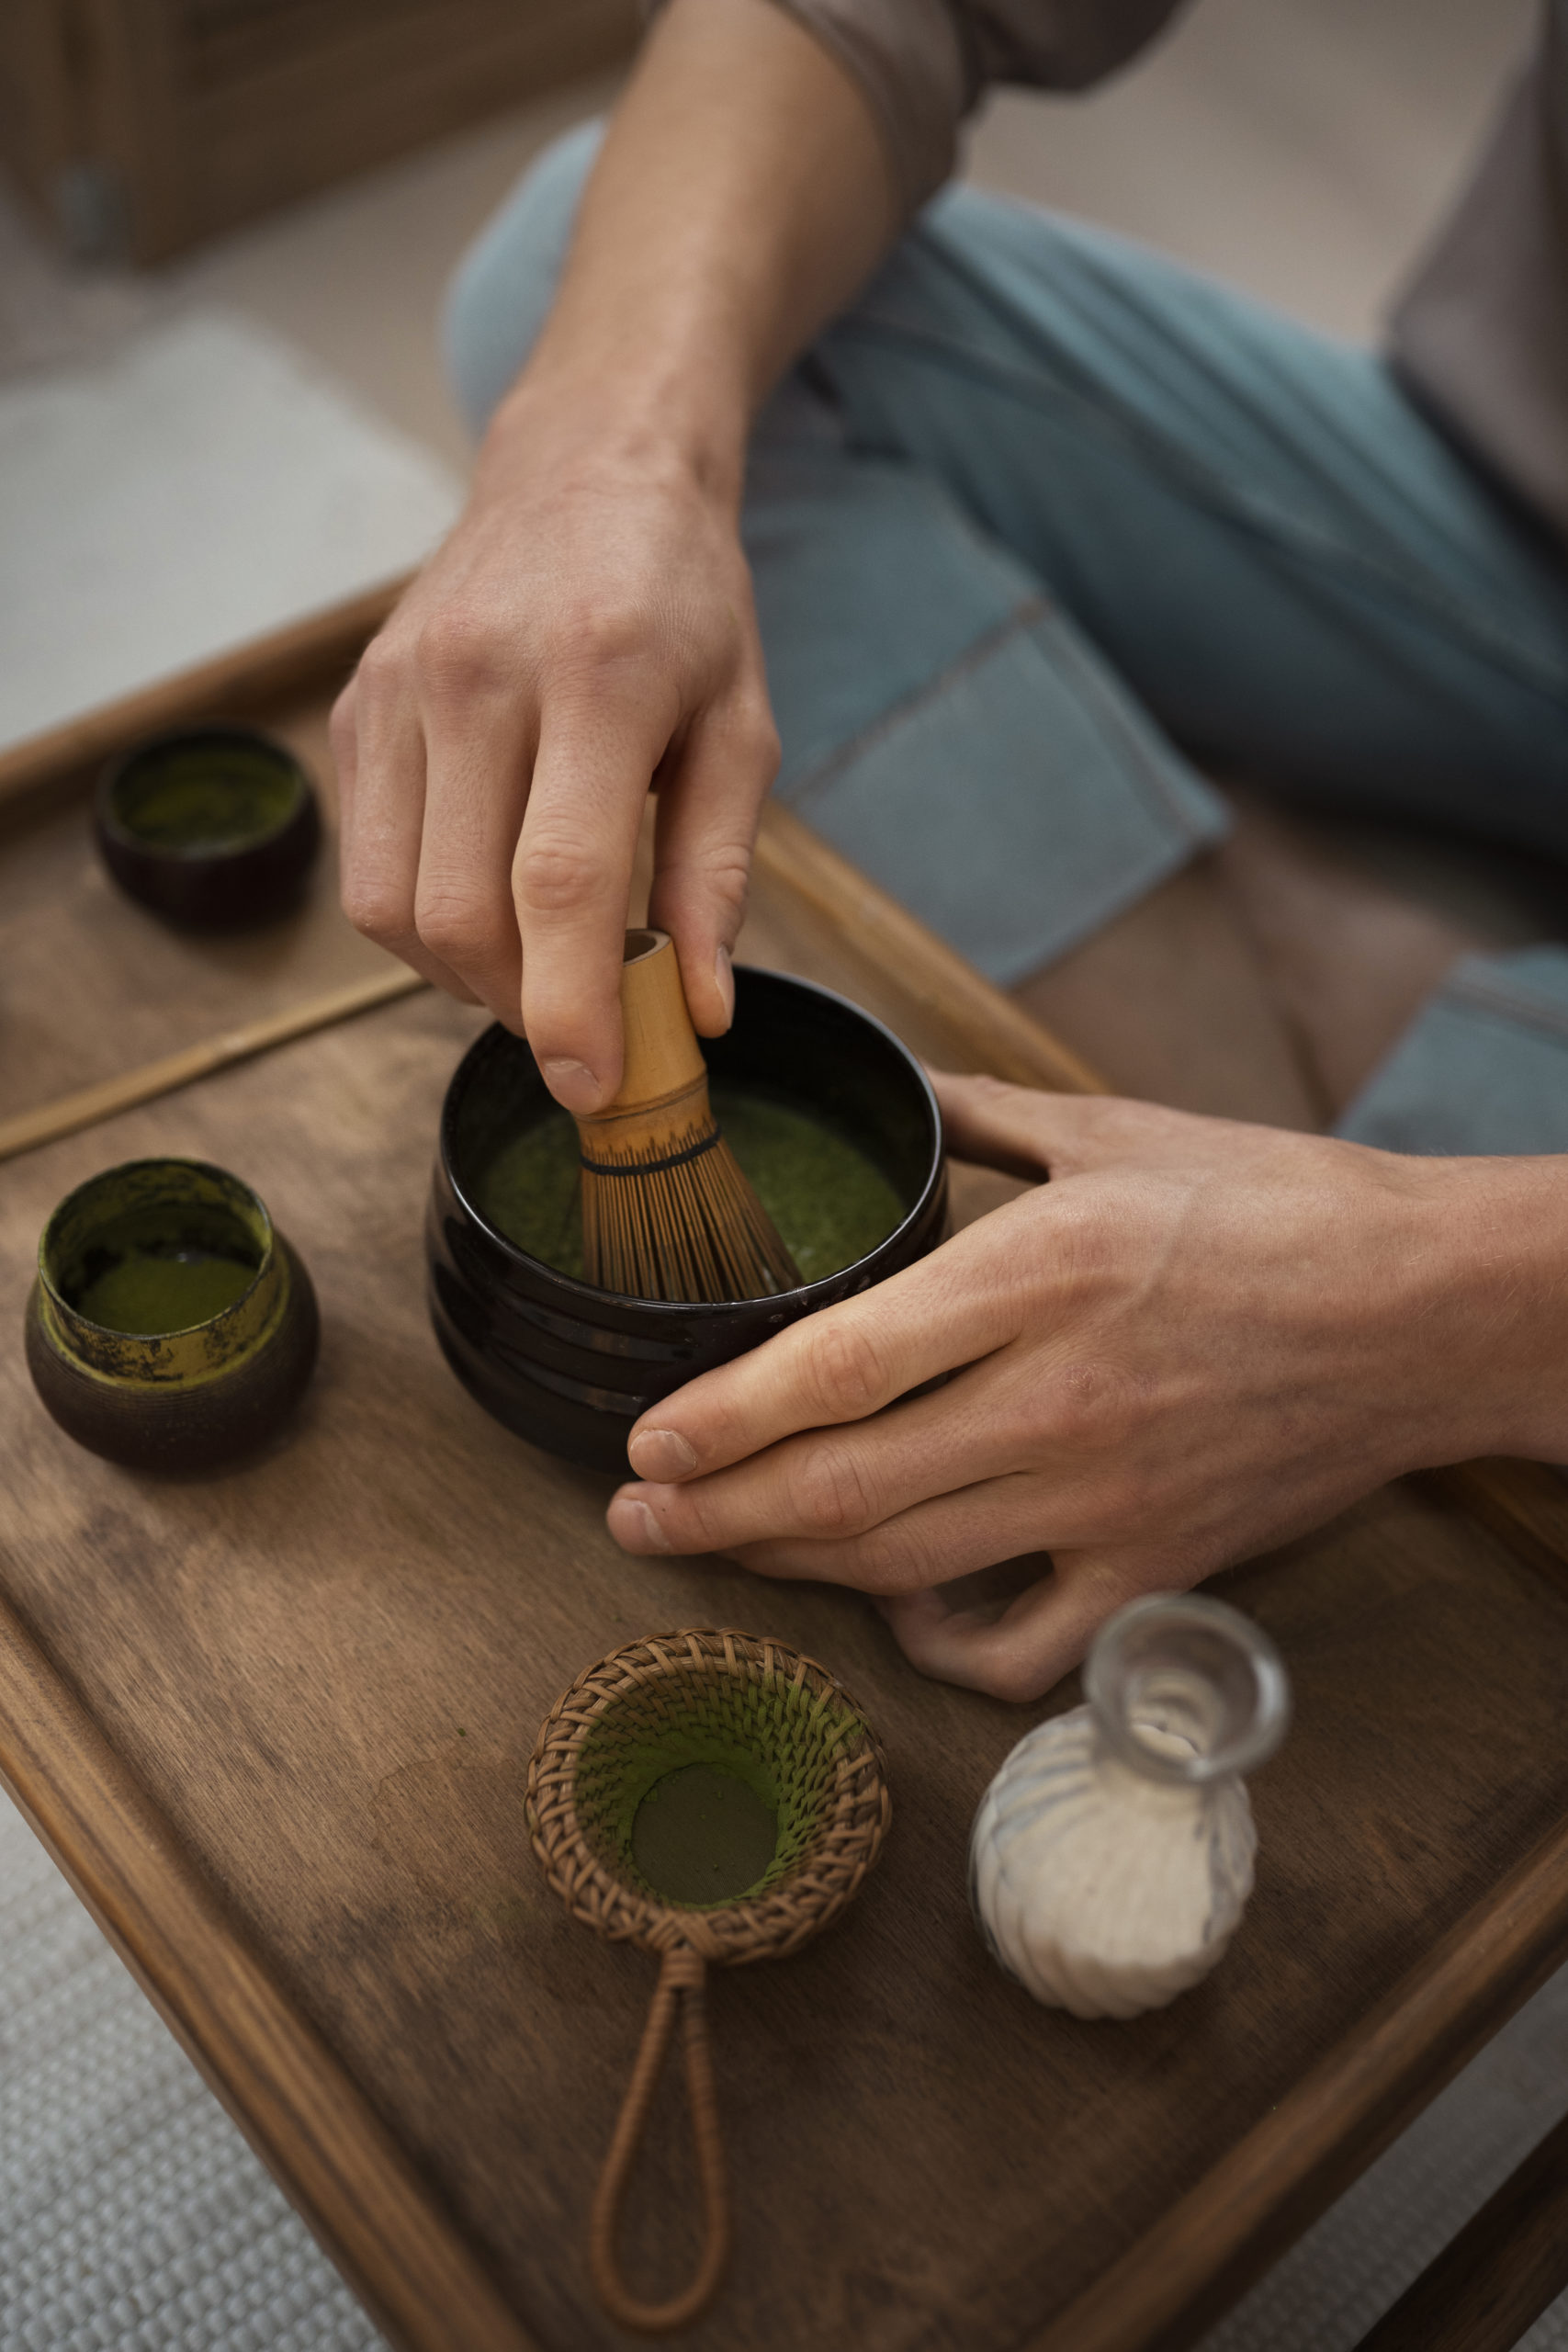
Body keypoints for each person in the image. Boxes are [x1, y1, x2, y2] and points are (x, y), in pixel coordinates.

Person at [332, 0, 1568, 1701]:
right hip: (1527, 526)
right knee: (587, 270)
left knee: (1438, 1287)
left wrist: (1443, 1308)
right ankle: (1355, 989)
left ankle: (1357, 995)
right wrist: (606, 456)